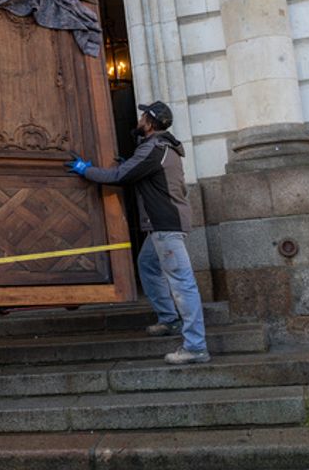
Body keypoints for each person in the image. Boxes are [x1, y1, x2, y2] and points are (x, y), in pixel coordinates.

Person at [65, 101, 209, 365]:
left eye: (144, 116)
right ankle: (169, 319)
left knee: (182, 284)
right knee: (148, 265)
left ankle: (196, 346)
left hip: (166, 227)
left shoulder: (154, 149)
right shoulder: (161, 149)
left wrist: (86, 171)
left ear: (150, 123)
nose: (140, 120)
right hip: (162, 226)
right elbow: (138, 172)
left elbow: (120, 175)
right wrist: (129, 164)